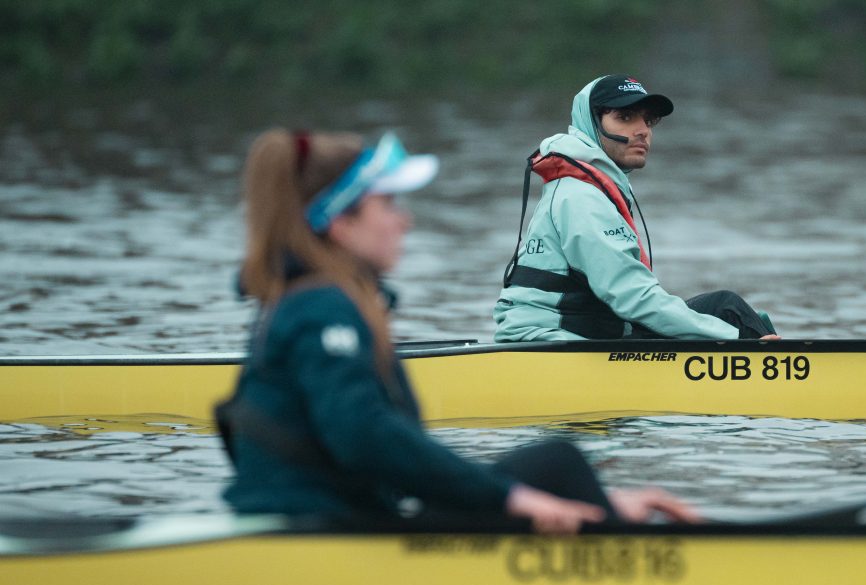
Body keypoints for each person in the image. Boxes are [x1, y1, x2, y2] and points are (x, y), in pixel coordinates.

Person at [219, 128, 699, 533]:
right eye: (386, 204)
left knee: (554, 463)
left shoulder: (322, 300)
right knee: (557, 465)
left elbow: (381, 445)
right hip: (320, 528)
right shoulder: (322, 308)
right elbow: (364, 436)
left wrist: (571, 500)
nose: (403, 221)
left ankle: (605, 522)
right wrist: (512, 498)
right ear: (341, 224)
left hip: (348, 512)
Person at [493, 74, 779, 342]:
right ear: (592, 124)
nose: (642, 131)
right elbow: (633, 297)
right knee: (727, 312)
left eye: (648, 120)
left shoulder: (588, 188)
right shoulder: (582, 197)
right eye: (625, 117)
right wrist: (733, 338)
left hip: (580, 335)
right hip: (550, 343)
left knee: (726, 311)